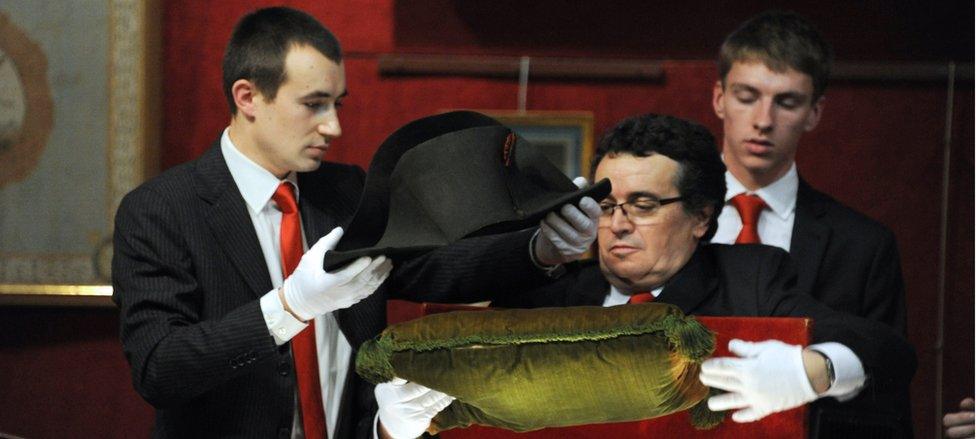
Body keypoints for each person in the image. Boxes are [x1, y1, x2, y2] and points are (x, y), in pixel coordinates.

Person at [112, 7, 600, 439]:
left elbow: (433, 265)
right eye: (313, 104)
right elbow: (159, 367)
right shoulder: (161, 210)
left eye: (336, 104)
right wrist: (289, 306)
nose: (333, 127)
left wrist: (540, 249)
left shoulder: (343, 191)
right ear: (248, 97)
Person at [491, 114, 916, 437]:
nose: (618, 224)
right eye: (605, 205)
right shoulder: (556, 291)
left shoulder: (750, 279)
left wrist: (816, 367)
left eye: (643, 205)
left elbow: (887, 350)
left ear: (700, 216)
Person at [708, 11, 907, 336]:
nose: (763, 120)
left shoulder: (863, 247)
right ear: (719, 99)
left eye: (787, 103)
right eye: (747, 97)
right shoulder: (666, 215)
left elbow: (886, 373)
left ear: (814, 113)